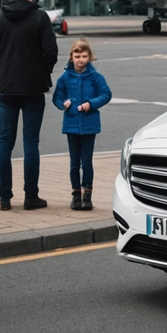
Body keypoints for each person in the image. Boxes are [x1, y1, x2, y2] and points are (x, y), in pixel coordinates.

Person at [0, 0, 59, 210]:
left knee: (5, 142)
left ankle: (4, 197)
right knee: (30, 143)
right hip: (33, 89)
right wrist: (41, 72)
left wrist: (2, 70)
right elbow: (51, 52)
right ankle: (31, 196)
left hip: (6, 88)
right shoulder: (40, 17)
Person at [52, 38, 112, 210]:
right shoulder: (65, 78)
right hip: (71, 124)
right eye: (77, 56)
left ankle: (88, 194)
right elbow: (57, 96)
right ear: (71, 57)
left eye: (84, 56)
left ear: (90, 57)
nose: (80, 59)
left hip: (89, 125)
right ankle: (75, 194)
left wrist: (91, 104)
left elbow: (106, 94)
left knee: (87, 162)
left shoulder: (95, 77)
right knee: (74, 162)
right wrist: (62, 104)